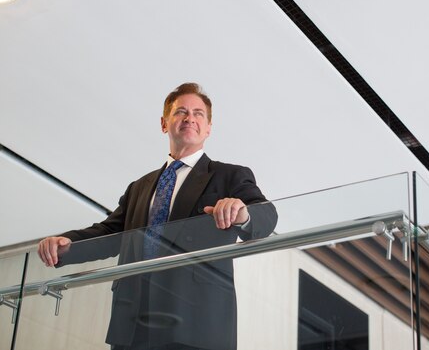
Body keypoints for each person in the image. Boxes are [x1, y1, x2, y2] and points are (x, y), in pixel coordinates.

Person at [38, 82, 278, 350]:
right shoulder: (139, 187)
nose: (190, 118)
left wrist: (242, 213)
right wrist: (66, 245)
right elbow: (110, 234)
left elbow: (267, 215)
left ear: (208, 128)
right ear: (165, 123)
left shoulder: (230, 175)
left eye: (199, 113)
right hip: (133, 320)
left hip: (195, 323)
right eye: (181, 112)